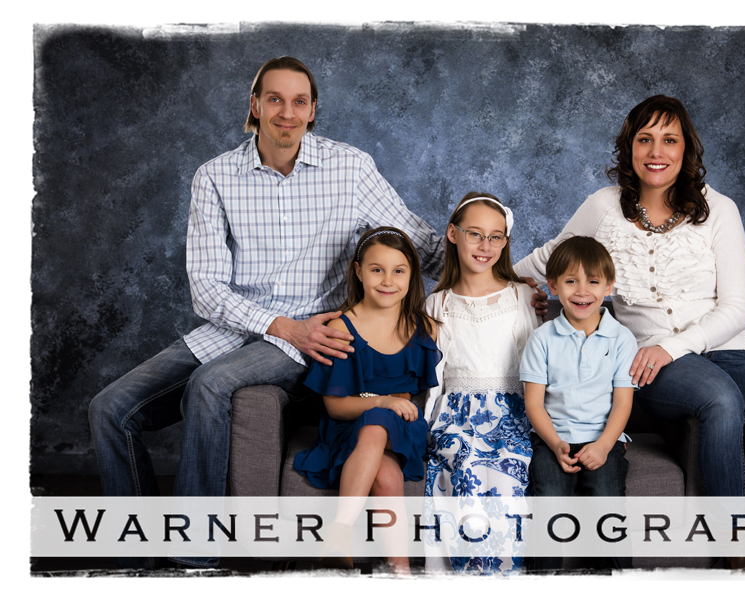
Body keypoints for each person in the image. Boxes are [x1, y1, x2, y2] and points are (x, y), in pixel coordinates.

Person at [87, 56, 445, 569]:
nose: (286, 112)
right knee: (109, 409)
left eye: (299, 101)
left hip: (316, 334)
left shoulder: (349, 168)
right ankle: (137, 547)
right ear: (254, 106)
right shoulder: (215, 177)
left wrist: (496, 276)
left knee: (211, 385)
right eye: (274, 99)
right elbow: (206, 289)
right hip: (237, 328)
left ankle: (198, 553)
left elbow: (417, 240)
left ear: (313, 111)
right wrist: (278, 326)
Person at [515, 95, 745, 568]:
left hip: (731, 349)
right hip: (648, 358)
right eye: (644, 139)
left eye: (669, 139)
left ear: (687, 149)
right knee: (720, 400)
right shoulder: (602, 207)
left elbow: (737, 308)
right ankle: (733, 550)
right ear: (629, 149)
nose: (656, 151)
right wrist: (496, 286)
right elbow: (546, 260)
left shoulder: (719, 210)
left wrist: (675, 344)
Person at [293, 227, 441, 575]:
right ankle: (399, 571)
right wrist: (384, 402)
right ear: (358, 271)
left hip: (402, 429)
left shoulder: (423, 328)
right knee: (386, 476)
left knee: (381, 424)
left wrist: (389, 404)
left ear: (411, 275)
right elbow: (336, 407)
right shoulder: (341, 329)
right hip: (348, 429)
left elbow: (410, 397)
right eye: (377, 269)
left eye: (398, 270)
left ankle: (339, 532)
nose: (387, 280)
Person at [422, 193, 540, 575]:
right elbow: (431, 379)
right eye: (475, 234)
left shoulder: (523, 297)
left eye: (496, 237)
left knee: (507, 468)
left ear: (505, 242)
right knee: (463, 460)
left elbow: (540, 367)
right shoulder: (436, 305)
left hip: (514, 413)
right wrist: (422, 428)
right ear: (453, 234)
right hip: (455, 417)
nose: (485, 246)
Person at [520, 235, 636, 572]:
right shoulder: (541, 339)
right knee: (550, 501)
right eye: (571, 281)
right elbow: (535, 404)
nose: (582, 291)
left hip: (604, 440)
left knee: (607, 502)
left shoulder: (622, 339)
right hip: (553, 439)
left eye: (593, 281)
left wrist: (603, 445)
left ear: (609, 287)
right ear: (554, 286)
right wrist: (555, 443)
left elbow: (622, 404)